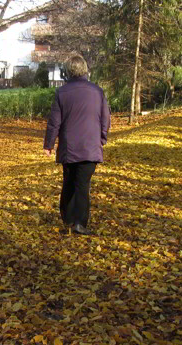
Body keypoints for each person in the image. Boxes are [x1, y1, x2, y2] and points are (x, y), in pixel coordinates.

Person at [44, 55, 110, 235]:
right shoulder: (97, 92)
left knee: (69, 182)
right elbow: (105, 119)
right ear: (85, 69)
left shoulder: (62, 93)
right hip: (90, 146)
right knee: (82, 185)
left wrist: (49, 144)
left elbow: (54, 122)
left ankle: (68, 219)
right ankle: (79, 223)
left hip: (69, 147)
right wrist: (101, 139)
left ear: (68, 71)